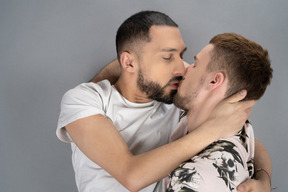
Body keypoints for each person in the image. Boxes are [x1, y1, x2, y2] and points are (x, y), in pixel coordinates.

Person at [56, 11, 268, 192]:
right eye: (167, 57)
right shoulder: (84, 100)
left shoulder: (177, 96)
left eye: (182, 55)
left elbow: (244, 135)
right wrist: (212, 131)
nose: (182, 67)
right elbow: (131, 176)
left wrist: (263, 179)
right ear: (128, 62)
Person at [163, 33, 273, 192]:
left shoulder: (191, 180)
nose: (185, 68)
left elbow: (132, 175)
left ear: (214, 81)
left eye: (195, 64)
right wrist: (265, 180)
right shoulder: (237, 126)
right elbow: (256, 145)